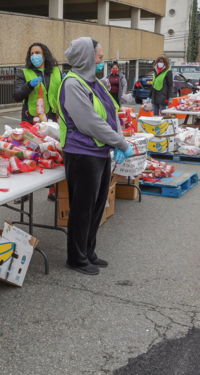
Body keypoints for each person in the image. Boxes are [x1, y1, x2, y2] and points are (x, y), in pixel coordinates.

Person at [57, 37, 134, 276]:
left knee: (97, 205)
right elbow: (89, 122)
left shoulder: (93, 83)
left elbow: (111, 111)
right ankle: (76, 258)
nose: (102, 61)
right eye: (99, 57)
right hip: (82, 154)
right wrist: (120, 142)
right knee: (82, 208)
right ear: (87, 58)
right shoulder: (73, 84)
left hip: (100, 151)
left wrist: (118, 140)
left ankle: (89, 252)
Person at [13, 42, 62, 123]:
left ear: (45, 55)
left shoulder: (56, 71)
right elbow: (17, 96)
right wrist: (29, 85)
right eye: (32, 54)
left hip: (54, 118)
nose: (34, 56)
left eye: (37, 53)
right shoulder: (24, 73)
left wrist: (65, 82)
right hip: (33, 119)